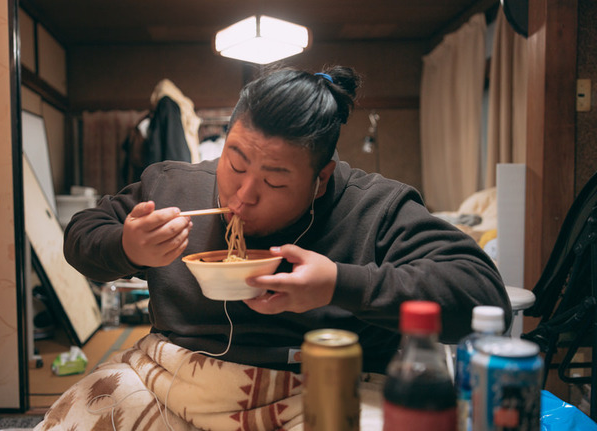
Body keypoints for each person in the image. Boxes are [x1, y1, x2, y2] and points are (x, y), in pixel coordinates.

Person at [35, 65, 511, 431]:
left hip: (322, 391)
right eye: (235, 163)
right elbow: (81, 233)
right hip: (173, 381)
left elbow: (482, 296)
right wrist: (127, 245)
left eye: (275, 182)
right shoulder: (173, 185)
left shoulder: (376, 207)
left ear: (321, 178)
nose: (242, 196)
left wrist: (338, 284)